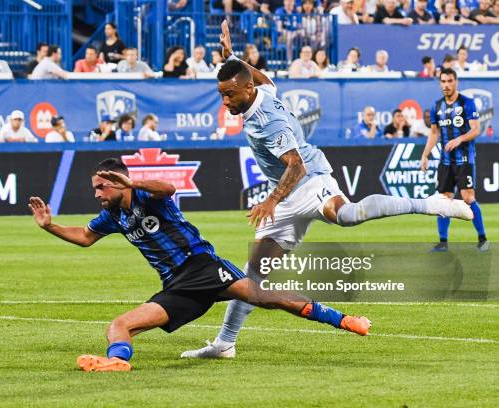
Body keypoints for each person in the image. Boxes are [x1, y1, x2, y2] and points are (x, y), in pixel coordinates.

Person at [181, 21, 472, 359]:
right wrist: (232, 57)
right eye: (221, 94)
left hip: (308, 180)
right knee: (253, 278)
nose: (225, 101)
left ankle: (432, 203)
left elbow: (297, 165)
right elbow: (259, 77)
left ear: (246, 90)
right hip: (286, 193)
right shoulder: (262, 90)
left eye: (229, 94)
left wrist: (270, 199)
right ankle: (225, 344)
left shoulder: (267, 121)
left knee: (347, 215)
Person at [28, 158, 371, 372]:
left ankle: (345, 320)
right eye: (95, 188)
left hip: (202, 266)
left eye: (102, 186)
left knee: (270, 298)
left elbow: (168, 187)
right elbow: (85, 236)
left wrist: (134, 182)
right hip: (176, 287)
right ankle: (118, 362)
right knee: (118, 327)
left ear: (120, 181)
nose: (98, 193)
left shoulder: (147, 195)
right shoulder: (112, 216)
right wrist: (50, 227)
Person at [421, 68, 488, 252]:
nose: (446, 85)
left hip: (465, 158)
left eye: (450, 81)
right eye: (443, 81)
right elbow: (434, 133)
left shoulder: (467, 103)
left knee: (468, 198)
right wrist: (425, 154)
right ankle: (443, 242)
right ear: (440, 83)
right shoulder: (436, 106)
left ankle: (482, 239)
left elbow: (476, 130)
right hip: (445, 161)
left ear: (456, 82)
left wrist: (459, 139)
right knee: (443, 200)